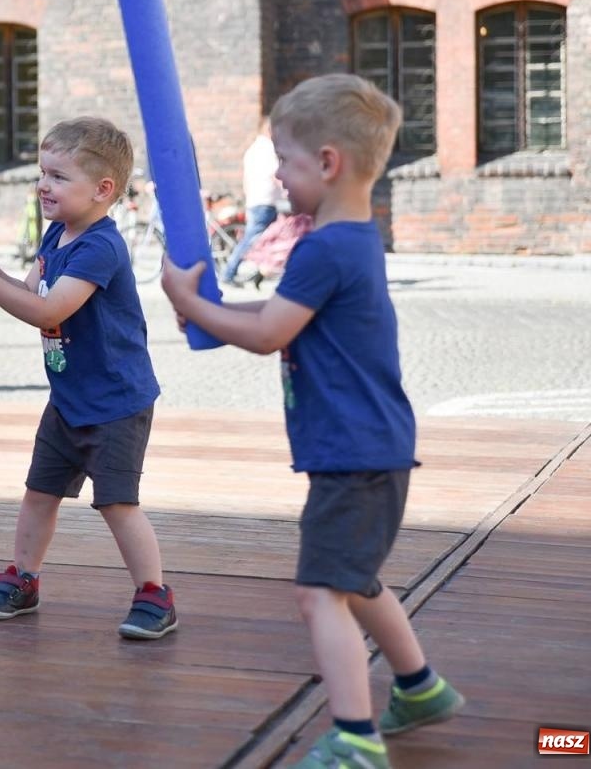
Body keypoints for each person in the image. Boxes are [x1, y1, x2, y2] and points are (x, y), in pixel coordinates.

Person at [159, 75, 463, 768]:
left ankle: (354, 736)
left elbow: (268, 332)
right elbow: (281, 322)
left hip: (353, 452)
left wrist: (192, 301)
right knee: (355, 577)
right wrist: (208, 314)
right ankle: (419, 688)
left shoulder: (324, 249)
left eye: (286, 161)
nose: (276, 176)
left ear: (328, 163)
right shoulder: (352, 238)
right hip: (369, 446)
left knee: (320, 592)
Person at [0, 117, 176, 641]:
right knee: (39, 492)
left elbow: (48, 308)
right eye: (42, 174)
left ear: (103, 190)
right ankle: (23, 578)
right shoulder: (57, 232)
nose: (43, 185)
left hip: (116, 402)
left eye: (58, 176)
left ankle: (154, 594)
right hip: (69, 398)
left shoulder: (100, 247)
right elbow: (29, 289)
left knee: (117, 502)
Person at [221, 115, 285, 285]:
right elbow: (276, 175)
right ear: (269, 130)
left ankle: (262, 271)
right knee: (252, 239)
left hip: (256, 199)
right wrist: (288, 190)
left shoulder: (252, 150)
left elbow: (246, 178)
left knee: (261, 238)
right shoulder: (267, 149)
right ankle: (229, 272)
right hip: (265, 201)